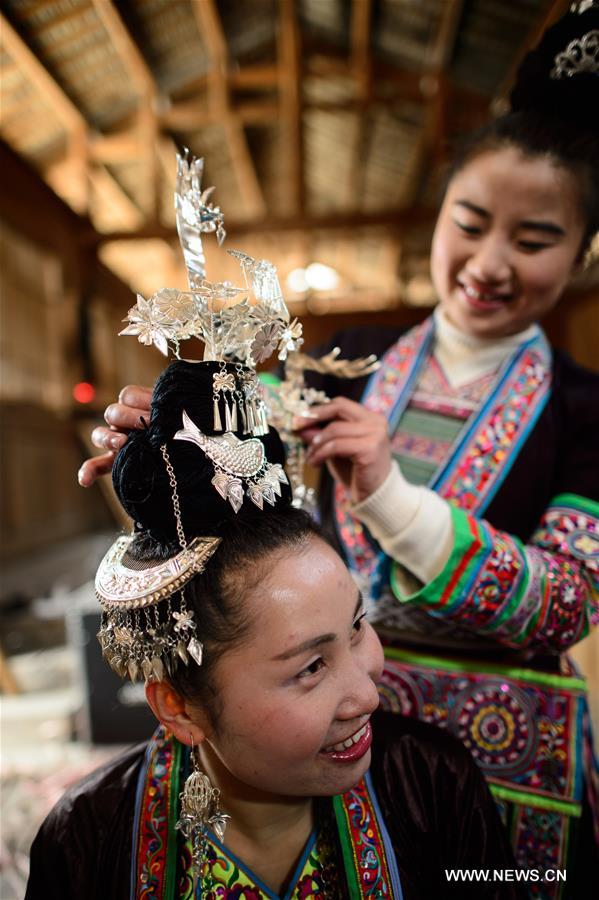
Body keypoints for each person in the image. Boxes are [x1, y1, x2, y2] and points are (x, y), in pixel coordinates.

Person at [78, 7, 599, 895]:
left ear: (584, 254)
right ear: (438, 215)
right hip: (330, 729)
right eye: (470, 222)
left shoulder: (585, 408)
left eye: (535, 238)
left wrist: (389, 492)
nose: (490, 261)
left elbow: (565, 603)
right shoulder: (345, 359)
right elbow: (238, 464)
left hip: (505, 745)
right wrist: (168, 437)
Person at [27, 360, 523, 900]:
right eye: (311, 667)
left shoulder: (434, 785)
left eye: (357, 627)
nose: (368, 694)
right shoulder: (87, 837)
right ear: (179, 707)